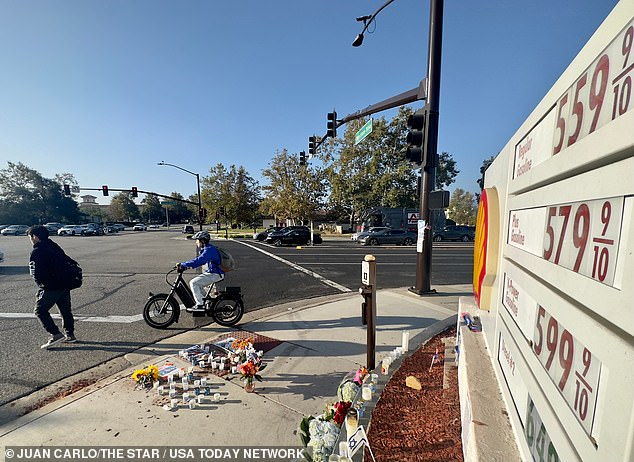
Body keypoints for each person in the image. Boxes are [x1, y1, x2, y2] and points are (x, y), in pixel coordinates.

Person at [27, 225, 77, 349]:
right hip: (65, 284)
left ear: (35, 237)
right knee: (65, 311)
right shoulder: (54, 246)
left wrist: (42, 286)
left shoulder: (37, 251)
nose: (30, 239)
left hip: (51, 287)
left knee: (40, 311)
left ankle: (55, 334)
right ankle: (70, 334)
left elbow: (36, 272)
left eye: (30, 237)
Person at [178, 231, 224, 312]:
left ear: (203, 241)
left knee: (193, 283)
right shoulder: (208, 248)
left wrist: (183, 264)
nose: (196, 242)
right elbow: (198, 262)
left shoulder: (209, 250)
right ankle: (207, 301)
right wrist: (186, 266)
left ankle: (200, 304)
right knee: (198, 284)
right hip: (213, 272)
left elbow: (199, 261)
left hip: (216, 274)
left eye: (197, 240)